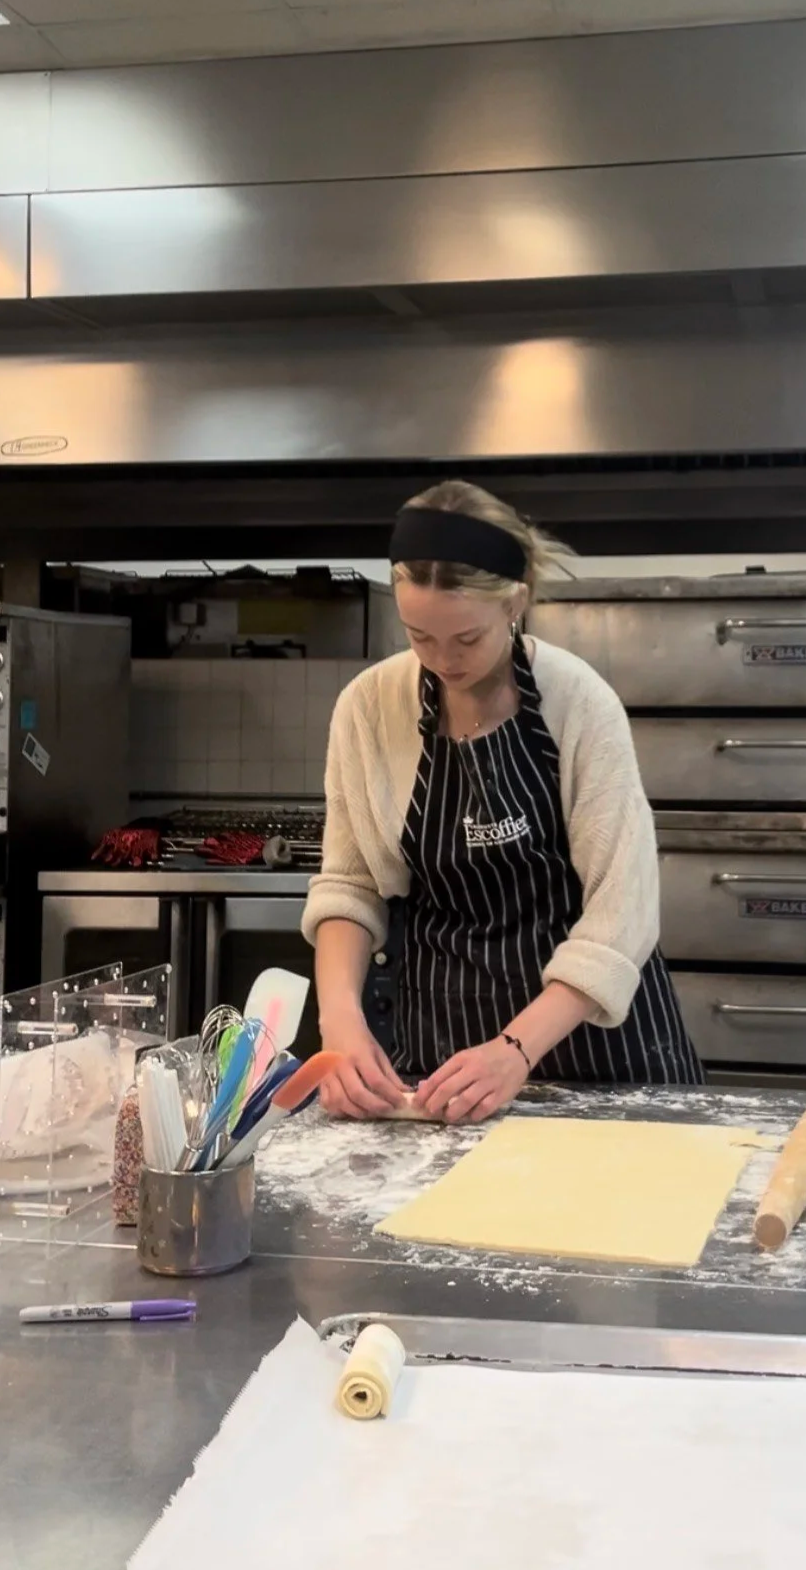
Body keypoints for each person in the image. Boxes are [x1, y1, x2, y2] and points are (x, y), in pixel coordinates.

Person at [302, 479, 705, 1124]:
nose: (442, 661)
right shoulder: (369, 706)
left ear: (515, 604)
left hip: (597, 1053)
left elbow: (621, 912)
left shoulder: (579, 702)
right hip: (444, 1059)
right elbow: (349, 886)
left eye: (466, 639)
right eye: (419, 637)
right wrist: (340, 1021)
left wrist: (517, 1048)